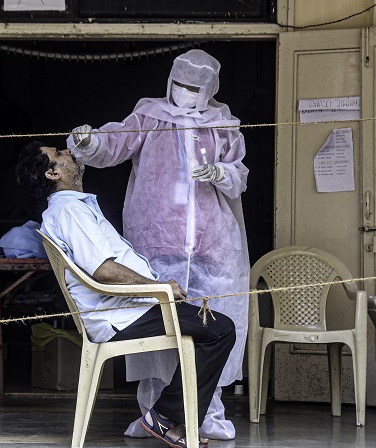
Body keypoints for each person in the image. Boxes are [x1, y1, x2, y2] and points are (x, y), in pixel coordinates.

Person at [67, 49, 249, 440]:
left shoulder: (223, 125)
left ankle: (207, 414)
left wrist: (220, 172)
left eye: (194, 89)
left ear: (210, 90)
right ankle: (151, 411)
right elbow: (113, 145)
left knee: (211, 327)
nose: (185, 94)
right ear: (169, 81)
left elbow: (239, 174)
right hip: (156, 245)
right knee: (157, 336)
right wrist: (88, 141)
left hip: (211, 247)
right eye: (180, 85)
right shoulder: (150, 116)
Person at [16, 140, 236, 448]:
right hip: (120, 316)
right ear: (53, 174)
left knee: (213, 326)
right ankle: (165, 415)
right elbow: (103, 270)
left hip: (126, 310)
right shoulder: (69, 212)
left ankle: (167, 415)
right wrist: (159, 287)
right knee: (220, 329)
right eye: (58, 154)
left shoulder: (74, 208)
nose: (68, 152)